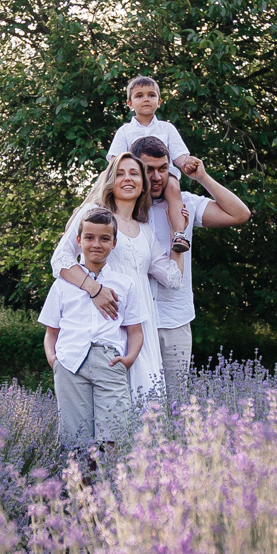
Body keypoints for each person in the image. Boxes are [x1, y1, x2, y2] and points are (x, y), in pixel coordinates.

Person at [55, 135, 250, 404]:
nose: (156, 177)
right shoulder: (101, 215)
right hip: (115, 320)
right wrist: (95, 290)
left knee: (166, 403)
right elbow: (66, 249)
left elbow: (240, 215)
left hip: (171, 319)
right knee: (111, 400)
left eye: (163, 169)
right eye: (147, 170)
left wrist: (181, 223)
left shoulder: (179, 208)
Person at [49, 153, 185, 407]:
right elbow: (60, 259)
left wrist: (178, 232)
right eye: (120, 173)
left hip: (137, 325)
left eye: (134, 174)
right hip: (104, 322)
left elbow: (173, 278)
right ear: (111, 181)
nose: (127, 179)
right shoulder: (93, 215)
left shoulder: (145, 231)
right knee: (104, 405)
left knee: (144, 403)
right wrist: (94, 289)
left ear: (143, 184)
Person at [39, 209, 146, 462]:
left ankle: (111, 485)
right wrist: (54, 361)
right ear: (79, 241)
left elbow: (135, 331)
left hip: (109, 363)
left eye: (104, 239)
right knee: (76, 441)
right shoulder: (63, 284)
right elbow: (51, 332)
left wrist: (128, 360)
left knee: (115, 437)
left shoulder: (125, 284)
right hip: (70, 364)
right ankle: (83, 487)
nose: (96, 244)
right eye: (89, 238)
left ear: (114, 243)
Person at [105, 76, 197, 248]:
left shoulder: (167, 128)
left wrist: (188, 161)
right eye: (139, 96)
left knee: (174, 186)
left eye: (151, 95)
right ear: (130, 104)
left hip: (162, 178)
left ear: (159, 102)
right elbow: (114, 160)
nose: (146, 99)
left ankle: (179, 234)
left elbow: (179, 156)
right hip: (137, 178)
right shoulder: (125, 131)